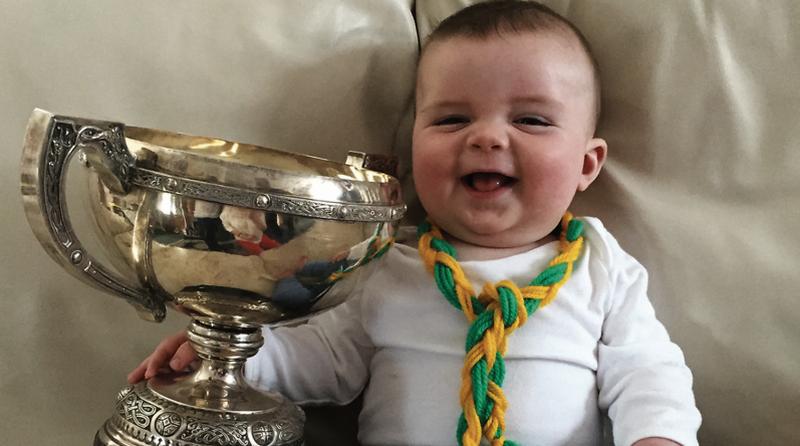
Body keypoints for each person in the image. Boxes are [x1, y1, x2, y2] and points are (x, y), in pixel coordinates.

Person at [128, 1, 701, 445]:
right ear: (408, 156)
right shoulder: (386, 267)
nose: (487, 136)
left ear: (586, 164)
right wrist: (229, 351)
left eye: (530, 119)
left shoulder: (602, 266)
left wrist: (657, 433)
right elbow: (325, 358)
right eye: (452, 118)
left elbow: (647, 369)